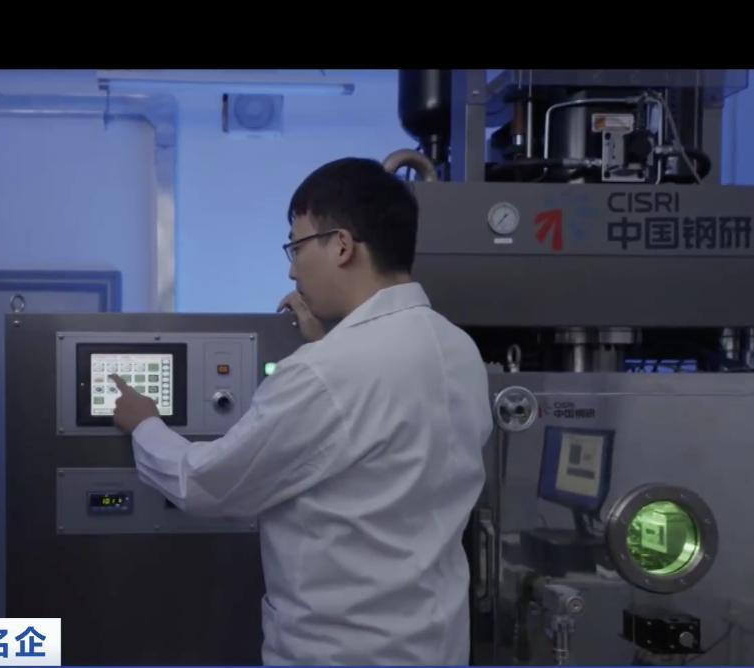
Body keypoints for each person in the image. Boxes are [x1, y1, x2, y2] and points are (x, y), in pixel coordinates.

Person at [109, 156, 492, 665]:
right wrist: (326, 344)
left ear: (341, 245)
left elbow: (206, 485)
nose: (292, 268)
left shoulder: (326, 373)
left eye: (297, 245)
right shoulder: (457, 349)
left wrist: (144, 424)